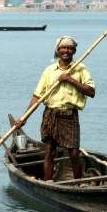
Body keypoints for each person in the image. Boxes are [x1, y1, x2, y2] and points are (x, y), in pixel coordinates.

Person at [16, 36, 95, 181]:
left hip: (70, 115)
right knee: (49, 151)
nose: (66, 50)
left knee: (74, 153)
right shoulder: (49, 71)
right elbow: (37, 96)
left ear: (74, 51)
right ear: (58, 51)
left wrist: (69, 79)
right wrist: (24, 118)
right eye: (63, 48)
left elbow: (91, 92)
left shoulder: (80, 69)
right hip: (51, 114)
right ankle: (48, 182)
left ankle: (79, 184)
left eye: (69, 48)